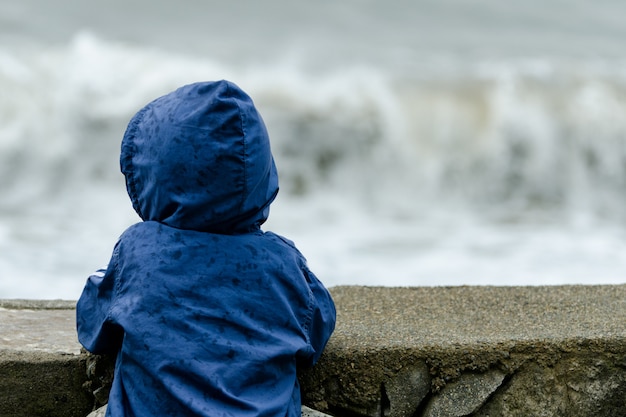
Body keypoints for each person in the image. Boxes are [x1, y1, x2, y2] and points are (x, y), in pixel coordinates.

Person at [76, 80, 336, 417]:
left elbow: (93, 326)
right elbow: (317, 326)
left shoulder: (139, 254)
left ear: (152, 172)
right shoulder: (281, 264)